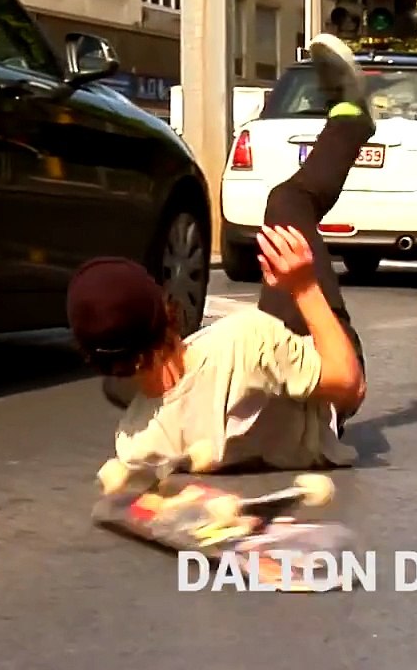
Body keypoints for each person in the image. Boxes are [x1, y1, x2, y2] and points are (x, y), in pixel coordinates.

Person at [66, 33, 373, 494]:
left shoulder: (136, 442)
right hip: (319, 403)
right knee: (288, 201)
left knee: (146, 383)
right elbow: (349, 386)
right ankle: (352, 117)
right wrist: (304, 287)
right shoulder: (247, 341)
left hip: (252, 408)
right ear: (163, 307)